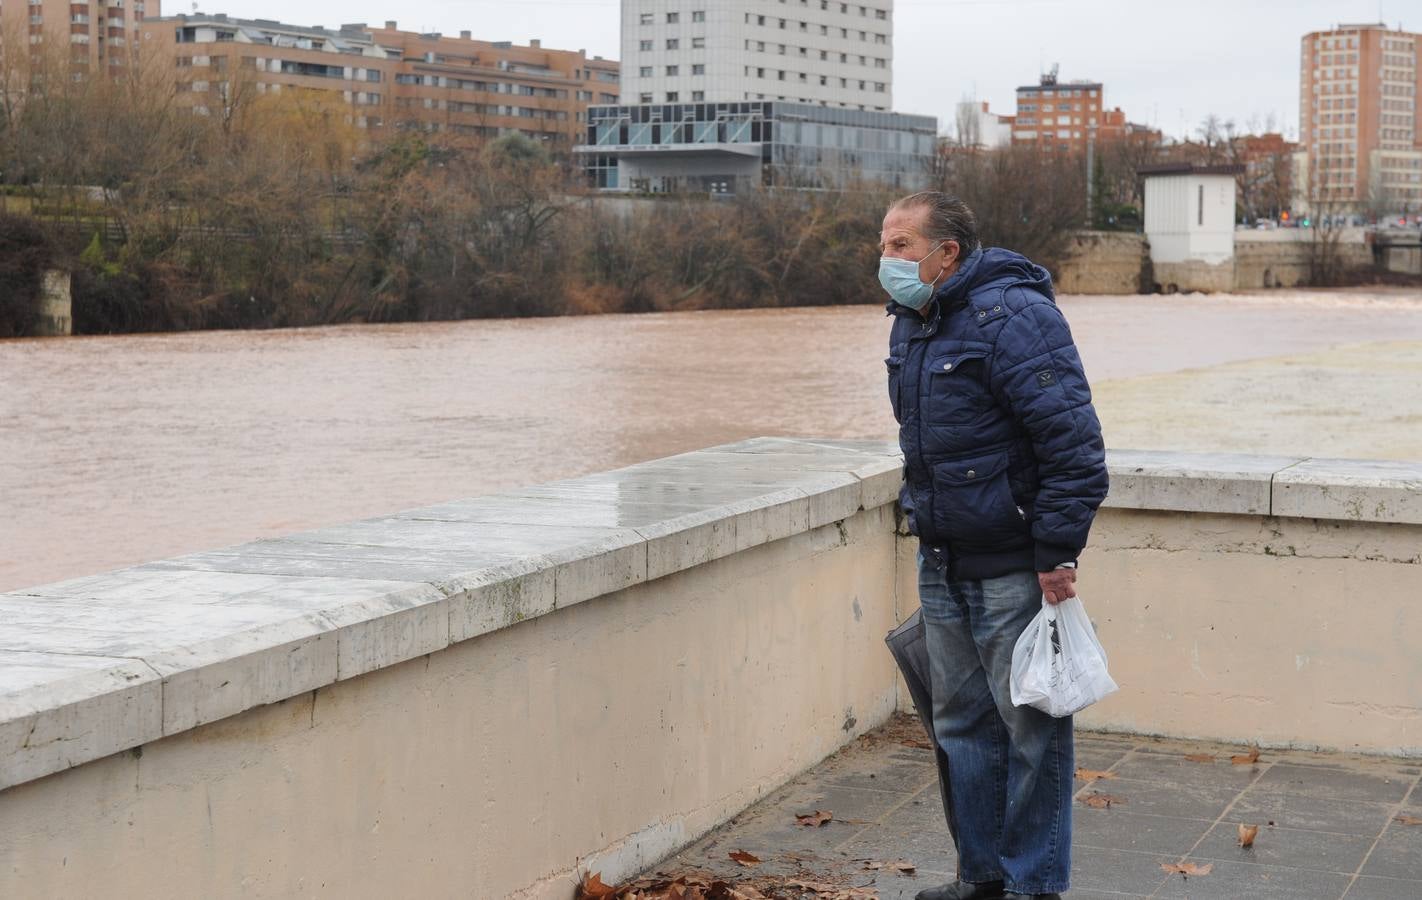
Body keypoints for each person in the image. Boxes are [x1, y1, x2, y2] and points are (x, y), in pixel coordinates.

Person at [878, 192, 1109, 900]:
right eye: (884, 243)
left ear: (948, 253)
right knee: (961, 727)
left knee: (1032, 732)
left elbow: (1073, 447)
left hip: (1014, 565)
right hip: (943, 559)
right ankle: (981, 879)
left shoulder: (1017, 317)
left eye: (901, 245)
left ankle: (1031, 886)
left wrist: (1056, 554)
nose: (886, 259)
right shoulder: (914, 323)